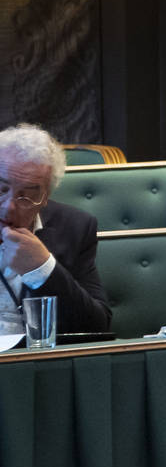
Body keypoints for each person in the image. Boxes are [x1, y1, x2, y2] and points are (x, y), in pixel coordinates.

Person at [0, 124, 112, 336]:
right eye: (1, 188)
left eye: (26, 196)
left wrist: (42, 268)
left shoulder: (75, 228)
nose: (9, 206)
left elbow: (97, 328)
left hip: (37, 361)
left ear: (45, 199)